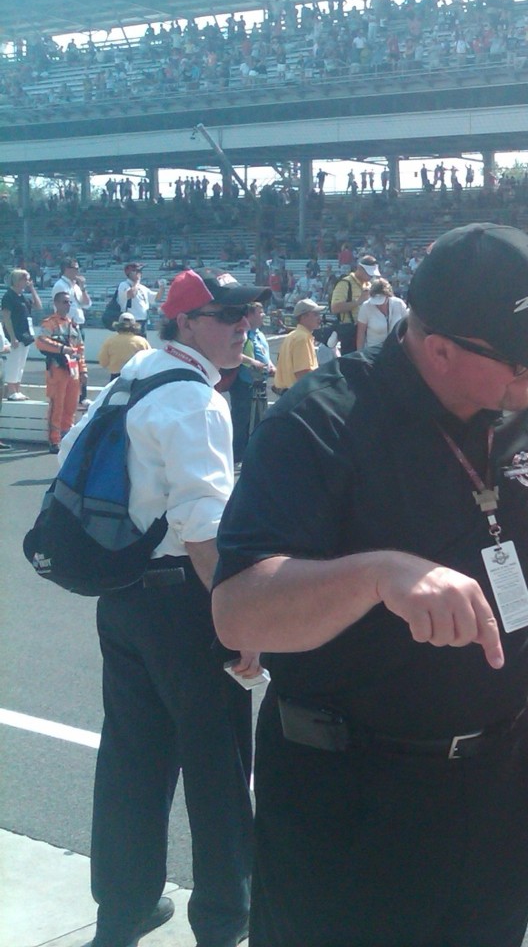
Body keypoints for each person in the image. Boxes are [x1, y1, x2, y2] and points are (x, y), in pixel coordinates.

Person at [210, 223, 528, 946]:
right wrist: (377, 575)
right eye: (518, 361)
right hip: (349, 798)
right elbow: (238, 612)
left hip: (498, 784)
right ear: (439, 348)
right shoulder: (319, 422)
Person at [58, 268, 268, 947]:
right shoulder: (198, 399)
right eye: (225, 315)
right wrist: (239, 622)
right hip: (185, 600)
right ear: (185, 322)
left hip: (121, 596)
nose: (243, 325)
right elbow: (204, 531)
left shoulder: (137, 373)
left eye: (248, 313)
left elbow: (68, 452)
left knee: (132, 762)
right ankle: (223, 919)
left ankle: (121, 912)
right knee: (219, 768)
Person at [35, 290, 85, 453]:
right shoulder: (50, 323)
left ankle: (67, 436)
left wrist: (83, 370)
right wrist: (62, 349)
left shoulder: (73, 325)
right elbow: (41, 341)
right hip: (57, 368)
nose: (68, 305)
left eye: (69, 302)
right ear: (56, 304)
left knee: (71, 405)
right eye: (64, 302)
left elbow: (80, 349)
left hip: (73, 370)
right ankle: (54, 439)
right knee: (57, 404)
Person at [228, 299, 275, 463]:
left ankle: (253, 453)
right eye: (260, 312)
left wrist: (270, 365)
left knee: (259, 418)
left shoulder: (260, 334)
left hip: (259, 382)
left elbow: (265, 354)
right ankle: (237, 455)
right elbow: (236, 354)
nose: (263, 315)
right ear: (250, 315)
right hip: (244, 383)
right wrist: (254, 363)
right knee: (242, 419)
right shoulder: (242, 332)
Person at [52, 256, 93, 407]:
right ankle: (69, 394)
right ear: (66, 269)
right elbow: (60, 308)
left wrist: (83, 287)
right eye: (75, 268)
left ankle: (82, 394)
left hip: (77, 326)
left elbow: (86, 304)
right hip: (67, 327)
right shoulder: (60, 285)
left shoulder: (75, 285)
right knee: (68, 361)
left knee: (79, 360)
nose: (77, 271)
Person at [328, 253, 379, 355]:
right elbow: (335, 308)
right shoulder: (345, 283)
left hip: (366, 331)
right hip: (350, 331)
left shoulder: (369, 284)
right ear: (359, 269)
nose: (370, 276)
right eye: (368, 273)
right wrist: (358, 301)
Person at [2, 267, 39, 401]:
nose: (27, 282)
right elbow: (6, 318)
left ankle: (17, 388)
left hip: (25, 335)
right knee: (13, 362)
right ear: (17, 280)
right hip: (15, 335)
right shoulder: (9, 297)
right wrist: (12, 337)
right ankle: (11, 389)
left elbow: (38, 306)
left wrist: (32, 290)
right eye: (25, 279)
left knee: (21, 363)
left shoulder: (22, 297)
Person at [273, 299, 321, 393]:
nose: (319, 318)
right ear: (303, 317)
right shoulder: (303, 338)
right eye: (315, 314)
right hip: (298, 394)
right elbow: (303, 374)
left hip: (287, 393)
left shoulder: (293, 335)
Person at [355, 276, 408, 351]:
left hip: (396, 350)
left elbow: (407, 327)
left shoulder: (399, 304)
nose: (378, 304)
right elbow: (361, 334)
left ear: (387, 296)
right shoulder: (366, 307)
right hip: (373, 351)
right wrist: (359, 353)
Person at [97, 312, 152, 379]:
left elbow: (103, 363)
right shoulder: (142, 342)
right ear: (135, 326)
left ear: (118, 325)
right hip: (135, 378)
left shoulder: (110, 341)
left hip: (116, 377)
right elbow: (149, 362)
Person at [116, 262, 166, 331]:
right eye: (137, 271)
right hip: (130, 321)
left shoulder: (142, 287)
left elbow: (157, 297)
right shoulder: (124, 285)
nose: (140, 273)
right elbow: (131, 294)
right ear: (131, 273)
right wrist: (137, 282)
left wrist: (162, 288)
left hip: (143, 321)